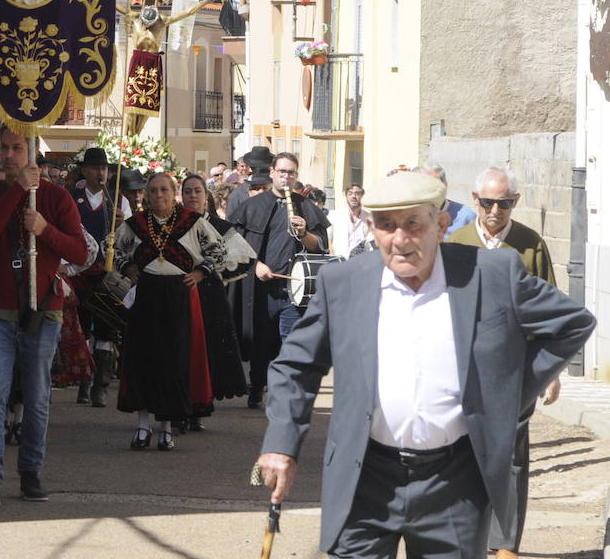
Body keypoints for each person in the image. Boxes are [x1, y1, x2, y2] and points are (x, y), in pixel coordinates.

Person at [255, 171, 596, 559]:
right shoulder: (343, 283)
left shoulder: (493, 273)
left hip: (454, 484)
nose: (399, 240)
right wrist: (282, 445)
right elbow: (295, 365)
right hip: (363, 477)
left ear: (442, 225)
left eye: (413, 224)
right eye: (386, 226)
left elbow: (573, 323)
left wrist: (511, 393)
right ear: (371, 228)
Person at [0, 125, 86, 507]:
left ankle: (31, 470)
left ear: (31, 150)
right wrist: (16, 189)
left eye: (18, 148)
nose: (10, 155)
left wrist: (45, 229)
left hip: (42, 309)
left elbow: (80, 252)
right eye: (5, 148)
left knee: (36, 397)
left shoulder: (56, 197)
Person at [447, 165, 560, 554]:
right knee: (462, 454)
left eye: (505, 203)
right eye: (489, 202)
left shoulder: (531, 245)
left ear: (515, 202)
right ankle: (467, 536)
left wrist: (552, 370)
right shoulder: (457, 244)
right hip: (464, 367)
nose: (496, 211)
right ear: (476, 200)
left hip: (515, 370)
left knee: (510, 457)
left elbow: (550, 309)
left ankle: (506, 542)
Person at [115, 173, 234, 451]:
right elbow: (115, 250)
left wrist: (200, 273)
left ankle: (166, 428)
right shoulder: (136, 224)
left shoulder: (192, 223)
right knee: (143, 359)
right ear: (146, 194)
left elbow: (219, 251)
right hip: (146, 296)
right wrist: (128, 268)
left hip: (178, 296)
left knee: (174, 360)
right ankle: (143, 425)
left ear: (173, 193)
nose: (160, 196)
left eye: (165, 190)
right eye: (154, 190)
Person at [233, 152, 328, 408]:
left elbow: (320, 246)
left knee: (290, 342)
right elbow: (236, 246)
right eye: (282, 171)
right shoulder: (253, 205)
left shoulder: (306, 206)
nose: (286, 177)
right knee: (261, 342)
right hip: (261, 288)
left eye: (292, 173)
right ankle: (257, 387)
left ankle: (284, 392)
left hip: (293, 289)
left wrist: (304, 232)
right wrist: (256, 266)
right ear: (272, 172)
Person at [178, 173, 252, 412]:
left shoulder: (221, 227)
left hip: (209, 295)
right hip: (179, 292)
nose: (192, 196)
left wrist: (215, 273)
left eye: (197, 191)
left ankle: (202, 403)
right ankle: (180, 401)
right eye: (187, 191)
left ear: (206, 195)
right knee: (182, 347)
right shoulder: (174, 223)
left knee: (208, 348)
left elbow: (244, 257)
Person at [66, 146, 128, 406]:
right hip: (79, 272)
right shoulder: (72, 197)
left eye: (104, 168)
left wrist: (122, 223)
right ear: (85, 170)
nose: (100, 172)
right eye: (95, 168)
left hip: (105, 274)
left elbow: (128, 239)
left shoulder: (118, 200)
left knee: (106, 330)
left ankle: (100, 386)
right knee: (82, 327)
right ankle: (84, 381)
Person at [329, 183, 374, 259]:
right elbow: (328, 240)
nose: (353, 196)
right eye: (350, 194)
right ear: (346, 196)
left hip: (362, 263)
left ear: (362, 196)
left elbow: (372, 243)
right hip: (340, 263)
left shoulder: (370, 218)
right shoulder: (334, 216)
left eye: (357, 193)